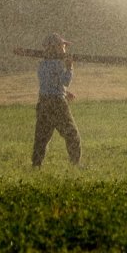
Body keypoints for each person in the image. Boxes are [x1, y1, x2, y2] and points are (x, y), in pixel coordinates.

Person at [32, 33, 81, 167]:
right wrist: (70, 67)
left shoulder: (42, 65)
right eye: (63, 46)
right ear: (56, 48)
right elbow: (65, 81)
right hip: (57, 104)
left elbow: (50, 85)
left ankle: (36, 165)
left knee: (41, 137)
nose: (65, 49)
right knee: (71, 134)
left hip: (43, 103)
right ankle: (75, 164)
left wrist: (65, 93)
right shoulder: (58, 65)